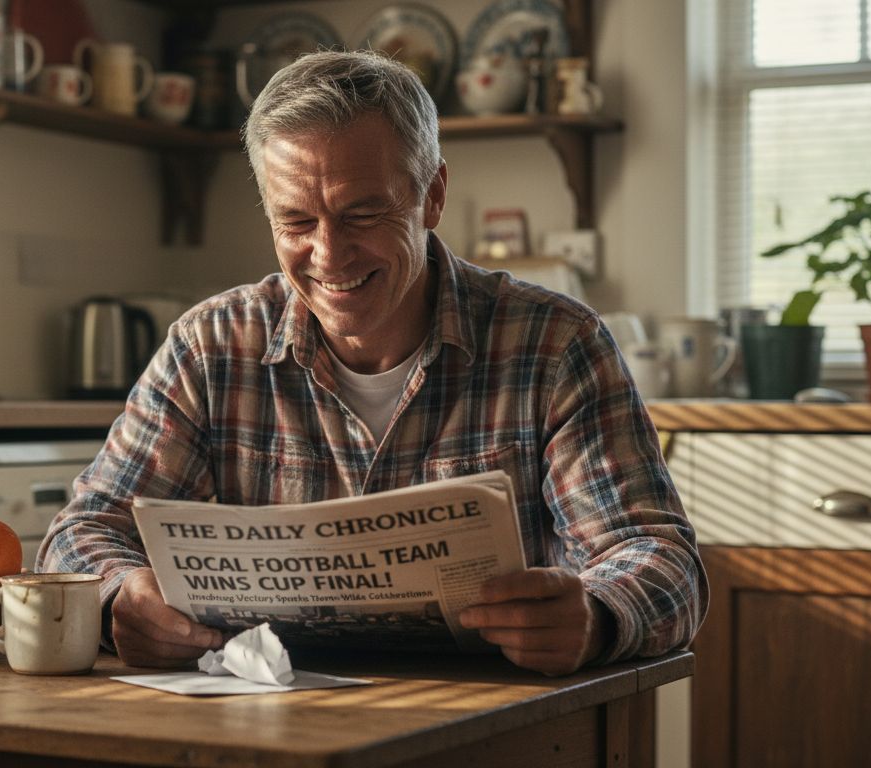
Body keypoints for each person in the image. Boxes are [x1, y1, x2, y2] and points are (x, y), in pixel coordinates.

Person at [39, 50, 708, 676]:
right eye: (296, 222)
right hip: (273, 727)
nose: (329, 256)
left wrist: (595, 614)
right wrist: (121, 595)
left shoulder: (555, 346)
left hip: (498, 726)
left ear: (433, 195)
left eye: (362, 214)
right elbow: (80, 533)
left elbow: (663, 561)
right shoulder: (212, 347)